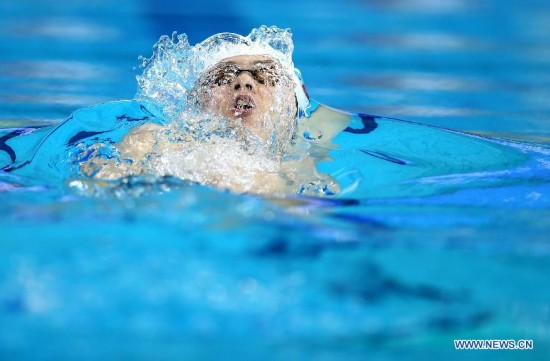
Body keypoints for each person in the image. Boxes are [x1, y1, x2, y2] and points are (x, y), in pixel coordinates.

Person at [81, 28, 343, 196]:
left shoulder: (301, 167)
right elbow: (99, 193)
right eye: (222, 76)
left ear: (292, 104)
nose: (243, 82)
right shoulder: (150, 139)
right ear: (196, 99)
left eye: (265, 76)